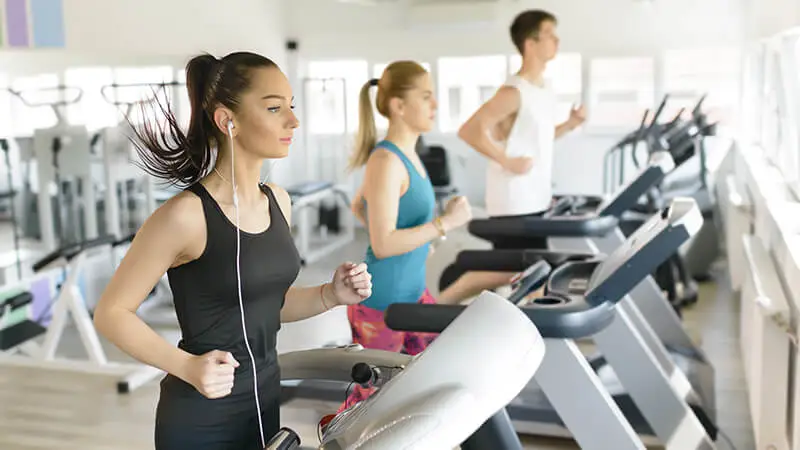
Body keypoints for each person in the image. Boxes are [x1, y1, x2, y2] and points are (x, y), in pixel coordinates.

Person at [92, 51, 373, 450]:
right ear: (228, 120)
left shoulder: (278, 201)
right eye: (275, 108)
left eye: (290, 107)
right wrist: (186, 366)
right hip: (200, 415)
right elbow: (111, 313)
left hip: (264, 401)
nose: (293, 120)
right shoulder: (186, 215)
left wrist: (330, 295)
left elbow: (261, 304)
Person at [341, 61, 472, 411]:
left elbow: (360, 206)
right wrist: (445, 223)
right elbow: (383, 244)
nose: (435, 104)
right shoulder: (386, 160)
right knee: (370, 408)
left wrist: (416, 244)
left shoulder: (408, 153)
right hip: (383, 303)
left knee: (428, 389)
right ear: (399, 105)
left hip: (413, 294)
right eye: (426, 96)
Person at [438, 9, 587, 304]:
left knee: (530, 272)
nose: (557, 40)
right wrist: (506, 160)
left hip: (536, 197)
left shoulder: (543, 89)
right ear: (530, 44)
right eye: (549, 34)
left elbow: (538, 141)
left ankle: (523, 327)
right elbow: (469, 130)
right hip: (514, 199)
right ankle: (450, 298)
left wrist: (569, 125)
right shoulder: (514, 91)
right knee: (523, 271)